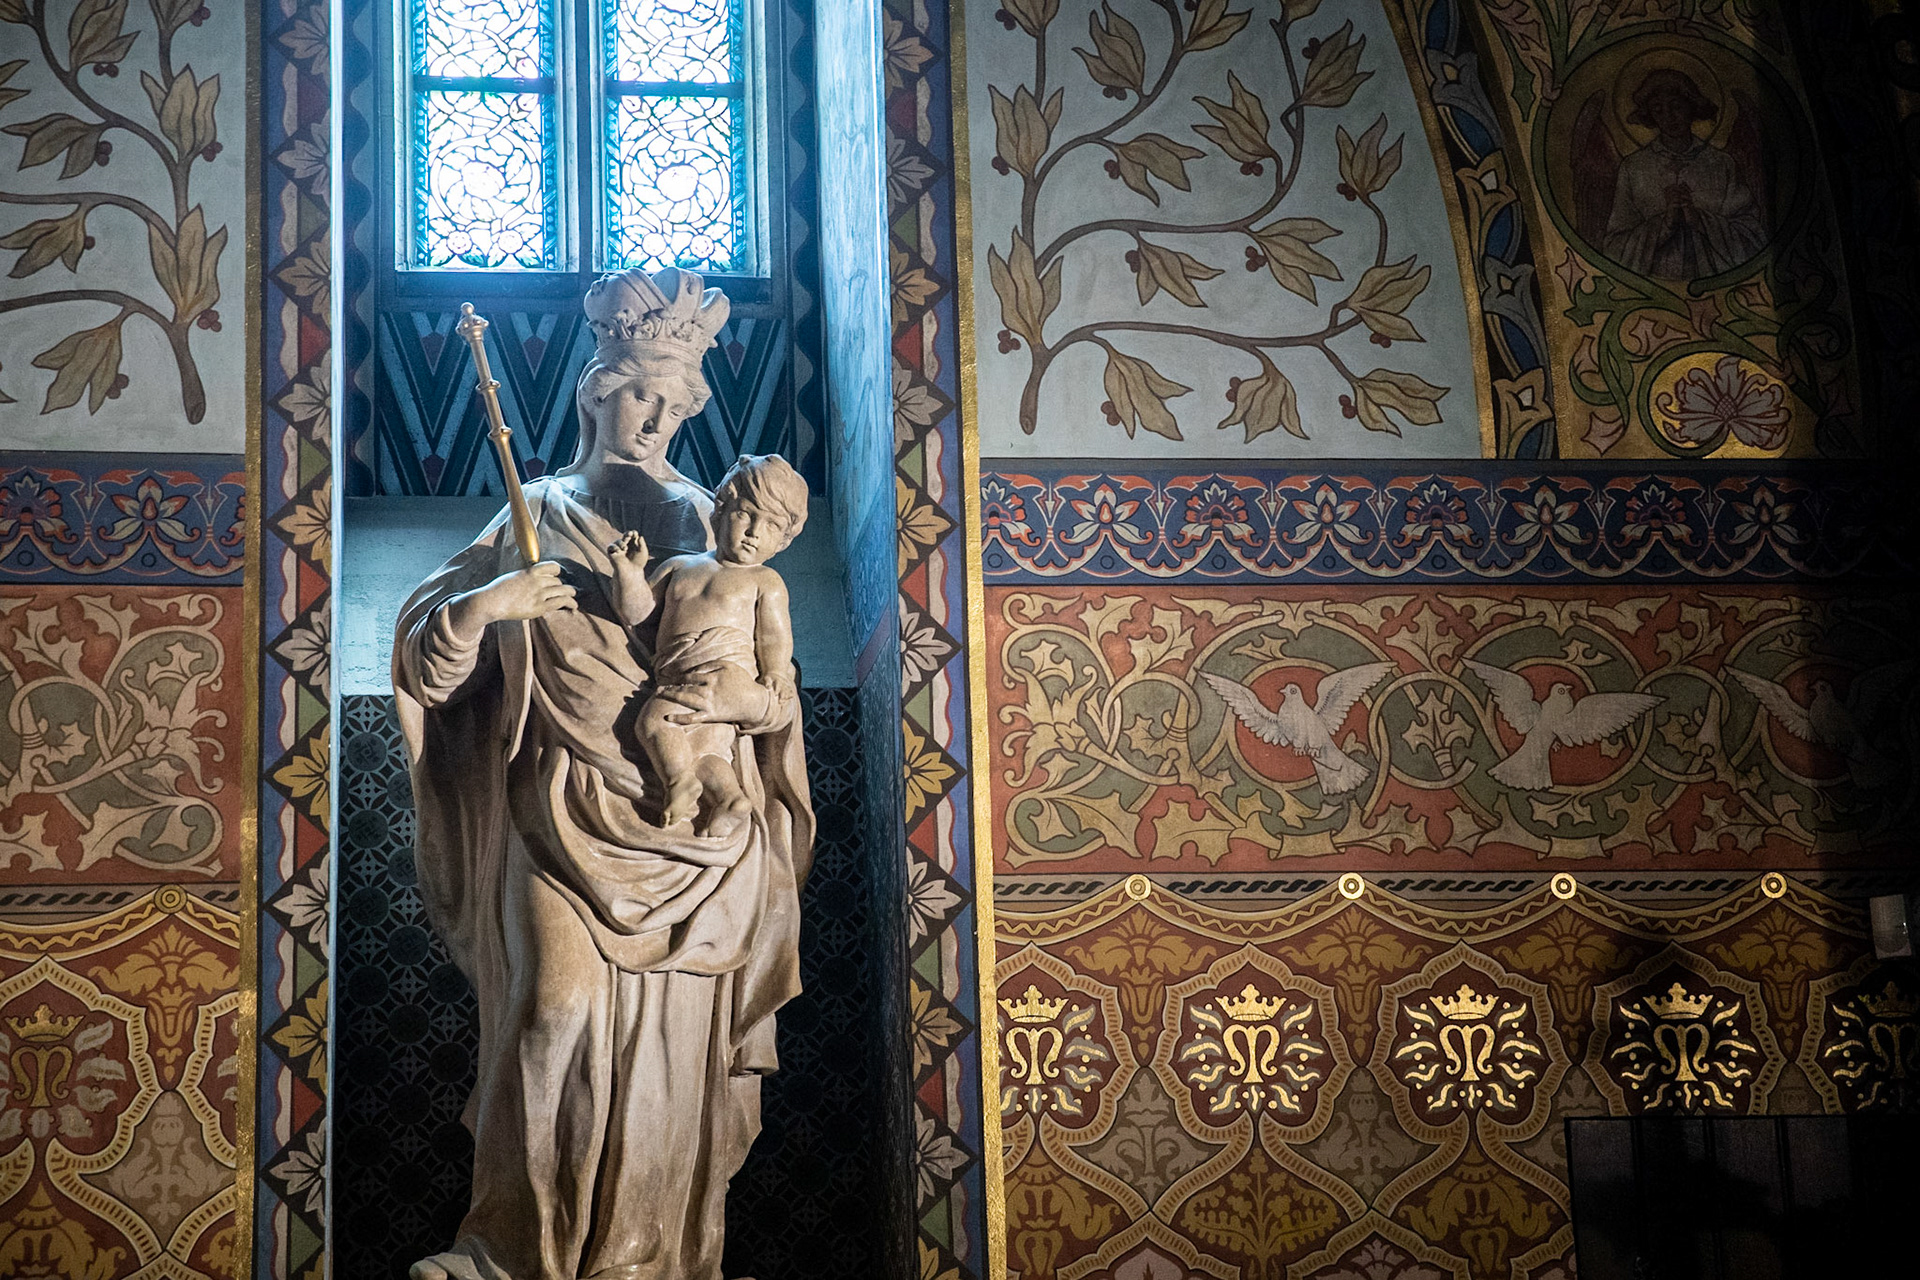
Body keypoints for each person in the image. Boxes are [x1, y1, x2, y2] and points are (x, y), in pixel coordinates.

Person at [392, 266, 812, 1280]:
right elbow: (425, 665)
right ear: (595, 388)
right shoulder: (532, 510)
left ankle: (654, 1259)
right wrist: (492, 603)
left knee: (672, 1059)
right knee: (548, 1015)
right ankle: (506, 1249)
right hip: (555, 808)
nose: (654, 417)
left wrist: (722, 707)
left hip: (702, 832)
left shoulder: (726, 533)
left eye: (674, 404)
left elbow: (779, 700)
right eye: (637, 393)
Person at [1602, 67, 1766, 280]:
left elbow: (1751, 235)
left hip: (1716, 281)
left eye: (1676, 106)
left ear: (1692, 105)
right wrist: (1664, 225)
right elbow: (1615, 246)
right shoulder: (1634, 167)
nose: (1669, 117)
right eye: (1658, 110)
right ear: (1650, 115)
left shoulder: (1720, 164)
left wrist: (1701, 220)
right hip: (1657, 283)